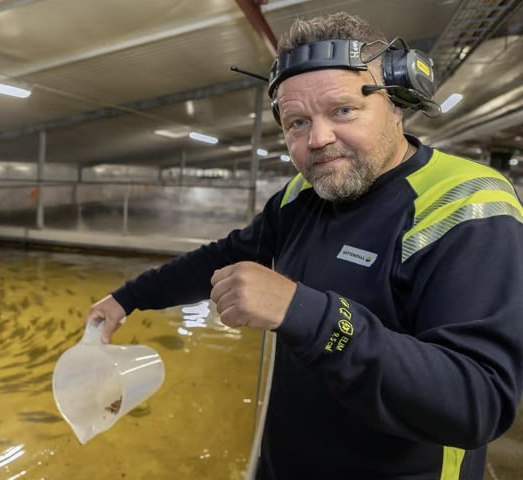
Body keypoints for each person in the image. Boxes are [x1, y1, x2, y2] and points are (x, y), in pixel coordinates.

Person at [85, 11, 523, 480]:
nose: (318, 139)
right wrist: (127, 299)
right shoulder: (301, 197)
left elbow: (476, 402)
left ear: (397, 102)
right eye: (297, 122)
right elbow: (223, 257)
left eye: (343, 110)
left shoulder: (466, 203)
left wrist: (307, 313)